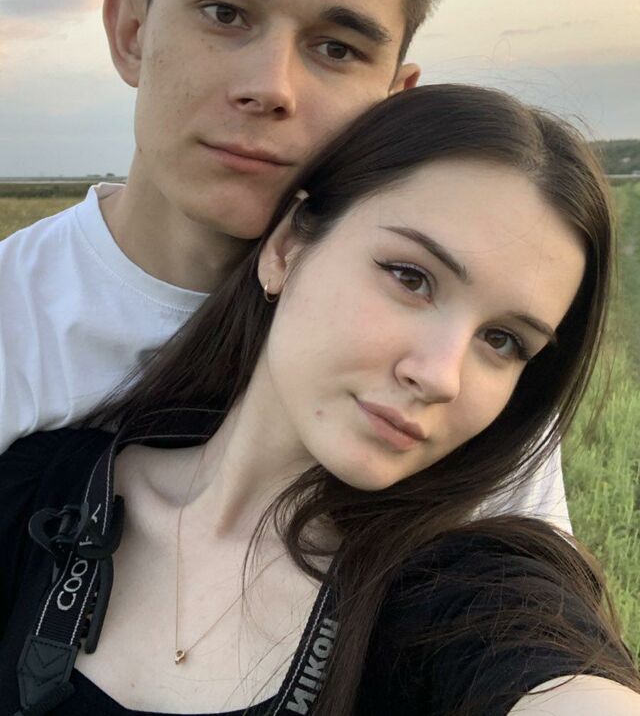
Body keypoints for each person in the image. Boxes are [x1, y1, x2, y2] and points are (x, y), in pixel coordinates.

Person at [1, 85, 639, 716]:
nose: (442, 377)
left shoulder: (463, 595)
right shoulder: (32, 493)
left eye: (502, 341)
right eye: (412, 278)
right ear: (286, 248)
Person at [0, 0, 570, 528]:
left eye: (336, 48)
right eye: (225, 13)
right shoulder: (14, 316)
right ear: (132, 32)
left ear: (392, 103)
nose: (271, 87)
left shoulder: (450, 360)